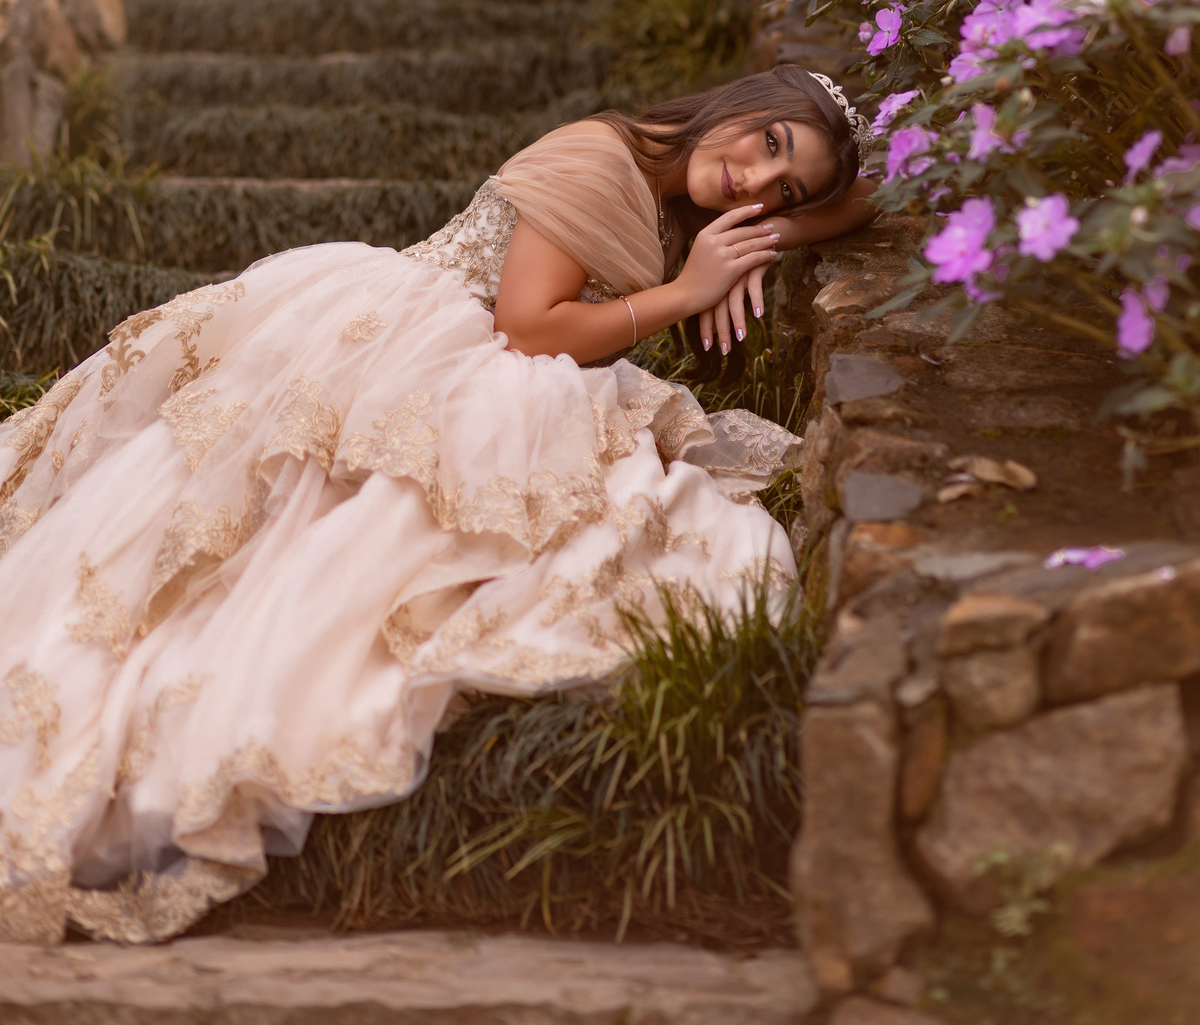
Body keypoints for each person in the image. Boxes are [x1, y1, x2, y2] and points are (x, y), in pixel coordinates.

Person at [0, 63, 874, 946]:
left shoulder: (676, 182)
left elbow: (865, 204)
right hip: (435, 346)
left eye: (782, 182)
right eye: (767, 144)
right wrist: (686, 292)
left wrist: (766, 230)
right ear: (744, 102)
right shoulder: (603, 161)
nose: (756, 181)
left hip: (465, 355)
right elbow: (527, 326)